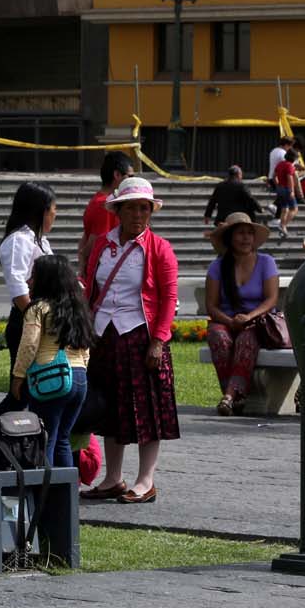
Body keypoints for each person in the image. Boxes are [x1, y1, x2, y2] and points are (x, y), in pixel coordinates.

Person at [80, 177, 179, 504]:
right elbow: (90, 284)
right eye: (132, 208)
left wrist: (159, 341)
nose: (138, 214)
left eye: (144, 208)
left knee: (148, 410)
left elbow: (168, 297)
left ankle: (145, 479)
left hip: (140, 335)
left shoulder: (160, 249)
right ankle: (113, 477)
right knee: (110, 408)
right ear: (118, 211)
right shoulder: (102, 246)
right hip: (104, 336)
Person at [10, 254, 93, 469]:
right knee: (63, 440)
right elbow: (86, 348)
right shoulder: (77, 308)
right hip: (79, 379)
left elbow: (29, 345)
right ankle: (65, 497)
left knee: (45, 439)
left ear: (46, 280)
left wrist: (18, 375)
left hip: (51, 379)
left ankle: (43, 497)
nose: (29, 281)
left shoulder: (38, 308)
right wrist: (80, 371)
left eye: (34, 276)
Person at [205, 213, 281, 416]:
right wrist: (230, 321)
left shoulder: (266, 262)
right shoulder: (217, 266)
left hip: (257, 322)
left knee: (247, 337)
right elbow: (211, 306)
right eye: (240, 233)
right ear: (230, 237)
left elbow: (271, 299)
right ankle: (235, 397)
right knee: (218, 337)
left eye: (249, 233)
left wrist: (249, 317)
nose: (246, 238)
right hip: (226, 320)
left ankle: (230, 396)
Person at [0, 181, 57, 414]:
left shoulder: (38, 239)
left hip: (41, 317)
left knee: (36, 388)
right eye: (52, 211)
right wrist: (37, 319)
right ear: (40, 212)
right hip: (28, 321)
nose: (54, 217)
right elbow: (17, 286)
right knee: (21, 391)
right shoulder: (18, 241)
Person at [79, 152, 132, 267]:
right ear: (117, 175)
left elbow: (86, 237)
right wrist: (83, 260)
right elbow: (97, 241)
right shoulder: (105, 204)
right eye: (130, 176)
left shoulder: (98, 200)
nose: (132, 182)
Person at [273, 149, 302, 238]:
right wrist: (292, 191)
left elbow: (274, 176)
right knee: (294, 209)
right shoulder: (290, 166)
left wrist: (278, 185)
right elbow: (290, 178)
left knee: (284, 209)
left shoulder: (280, 164)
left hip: (280, 189)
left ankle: (283, 227)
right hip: (287, 189)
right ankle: (283, 225)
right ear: (293, 158)